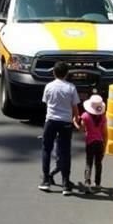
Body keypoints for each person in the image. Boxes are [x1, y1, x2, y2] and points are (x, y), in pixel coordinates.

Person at [39, 61, 81, 195]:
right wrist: (76, 118)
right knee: (65, 152)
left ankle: (46, 180)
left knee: (46, 148)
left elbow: (46, 103)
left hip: (51, 121)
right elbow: (75, 107)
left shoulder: (49, 87)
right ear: (67, 74)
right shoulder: (71, 88)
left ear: (54, 73)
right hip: (65, 123)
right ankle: (65, 183)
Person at [79, 94, 108, 193]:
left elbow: (81, 129)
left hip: (90, 142)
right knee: (98, 163)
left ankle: (87, 182)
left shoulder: (85, 116)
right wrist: (105, 146)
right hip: (100, 142)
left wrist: (75, 122)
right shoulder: (103, 118)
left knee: (89, 162)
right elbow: (104, 133)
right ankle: (98, 183)